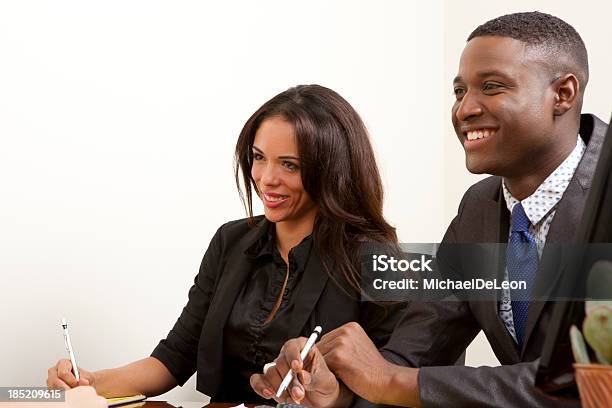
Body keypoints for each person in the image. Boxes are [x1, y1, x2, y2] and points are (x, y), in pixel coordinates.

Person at [250, 12, 608, 407]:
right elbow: (417, 347)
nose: (465, 109)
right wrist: (337, 394)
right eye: (459, 92)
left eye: (491, 87)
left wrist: (390, 381)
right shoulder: (478, 208)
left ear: (563, 94)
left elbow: (587, 382)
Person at [46, 85, 406, 403]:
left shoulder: (381, 260)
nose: (266, 178)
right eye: (259, 157)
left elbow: (399, 384)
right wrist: (89, 382)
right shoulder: (230, 240)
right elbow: (174, 358)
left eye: (290, 165)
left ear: (332, 170)